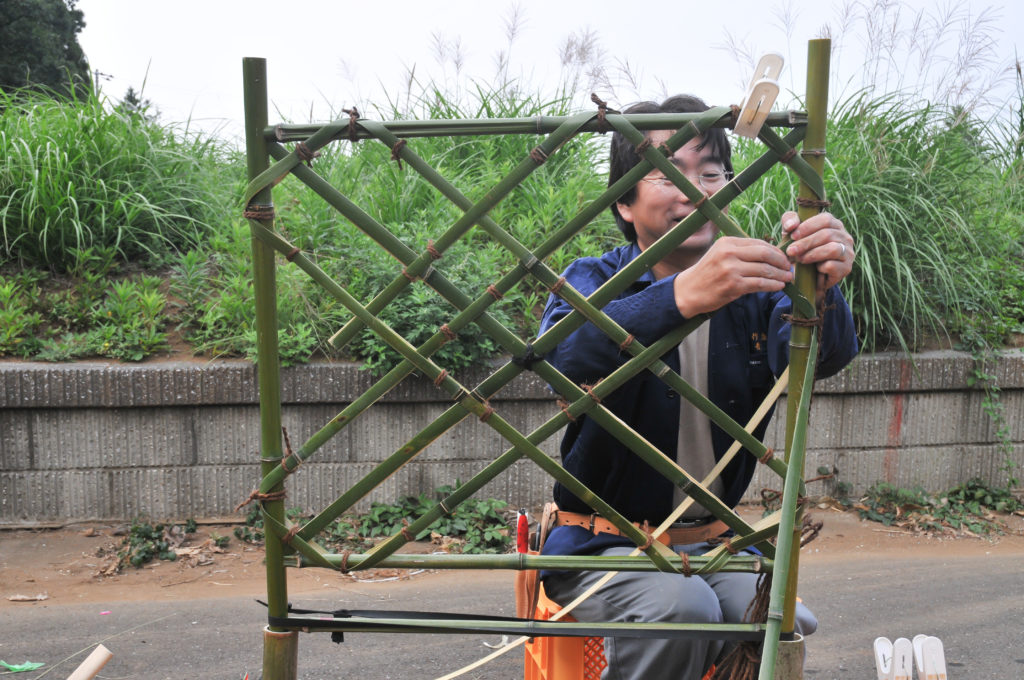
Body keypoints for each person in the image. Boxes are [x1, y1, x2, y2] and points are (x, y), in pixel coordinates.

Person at [537, 95, 860, 679]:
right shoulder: (594, 279)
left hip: (715, 543)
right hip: (602, 544)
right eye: (668, 174)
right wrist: (682, 295)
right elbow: (561, 354)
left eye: (711, 173)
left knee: (779, 619)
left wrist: (822, 284)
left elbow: (818, 360)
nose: (694, 189)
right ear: (624, 202)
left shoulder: (756, 285)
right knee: (683, 609)